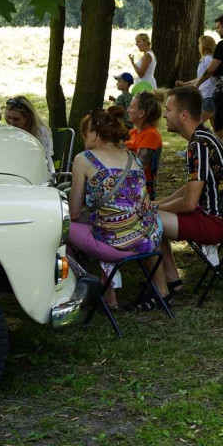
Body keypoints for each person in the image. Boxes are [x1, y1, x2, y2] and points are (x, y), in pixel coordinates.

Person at [146, 86, 223, 311]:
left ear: (183, 114)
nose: (165, 115)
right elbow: (190, 187)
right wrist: (159, 204)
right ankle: (172, 280)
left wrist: (157, 210)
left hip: (216, 222)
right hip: (215, 216)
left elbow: (189, 203)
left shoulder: (199, 144)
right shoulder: (203, 138)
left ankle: (161, 292)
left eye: (168, 110)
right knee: (152, 214)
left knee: (146, 222)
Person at [68, 106, 161, 310]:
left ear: (93, 134)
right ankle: (108, 292)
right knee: (106, 223)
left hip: (116, 245)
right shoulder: (132, 157)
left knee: (61, 226)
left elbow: (74, 212)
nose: (84, 141)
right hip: (149, 239)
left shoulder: (84, 159)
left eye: (84, 136)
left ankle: (74, 288)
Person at [185, 14, 223, 169]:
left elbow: (211, 69)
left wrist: (197, 84)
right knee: (218, 123)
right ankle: (218, 156)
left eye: (219, 27)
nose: (217, 30)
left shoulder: (222, 45)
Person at [4, 96, 55, 174]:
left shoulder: (40, 132)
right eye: (9, 118)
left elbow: (44, 159)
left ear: (27, 116)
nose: (11, 123)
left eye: (16, 119)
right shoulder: (10, 130)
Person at [124, 90, 164, 187]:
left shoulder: (150, 135)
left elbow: (138, 170)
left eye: (131, 107)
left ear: (141, 113)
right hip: (124, 182)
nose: (128, 110)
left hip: (137, 190)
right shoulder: (133, 132)